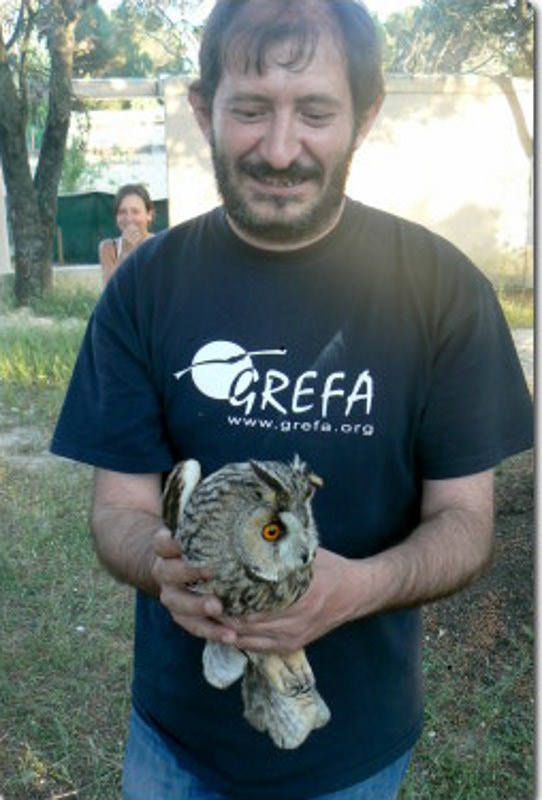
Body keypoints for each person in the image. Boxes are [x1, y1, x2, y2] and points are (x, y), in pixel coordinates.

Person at [51, 1, 533, 798]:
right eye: (249, 110)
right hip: (177, 744)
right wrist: (162, 568)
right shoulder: (144, 288)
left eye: (315, 112)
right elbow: (119, 512)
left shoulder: (443, 291)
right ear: (205, 110)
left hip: (358, 749)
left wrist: (357, 590)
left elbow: (466, 524)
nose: (281, 150)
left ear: (365, 114)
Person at [98, 183, 155, 285]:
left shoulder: (161, 245)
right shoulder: (109, 248)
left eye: (135, 211)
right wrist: (125, 253)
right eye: (122, 212)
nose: (129, 219)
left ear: (149, 215)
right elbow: (110, 293)